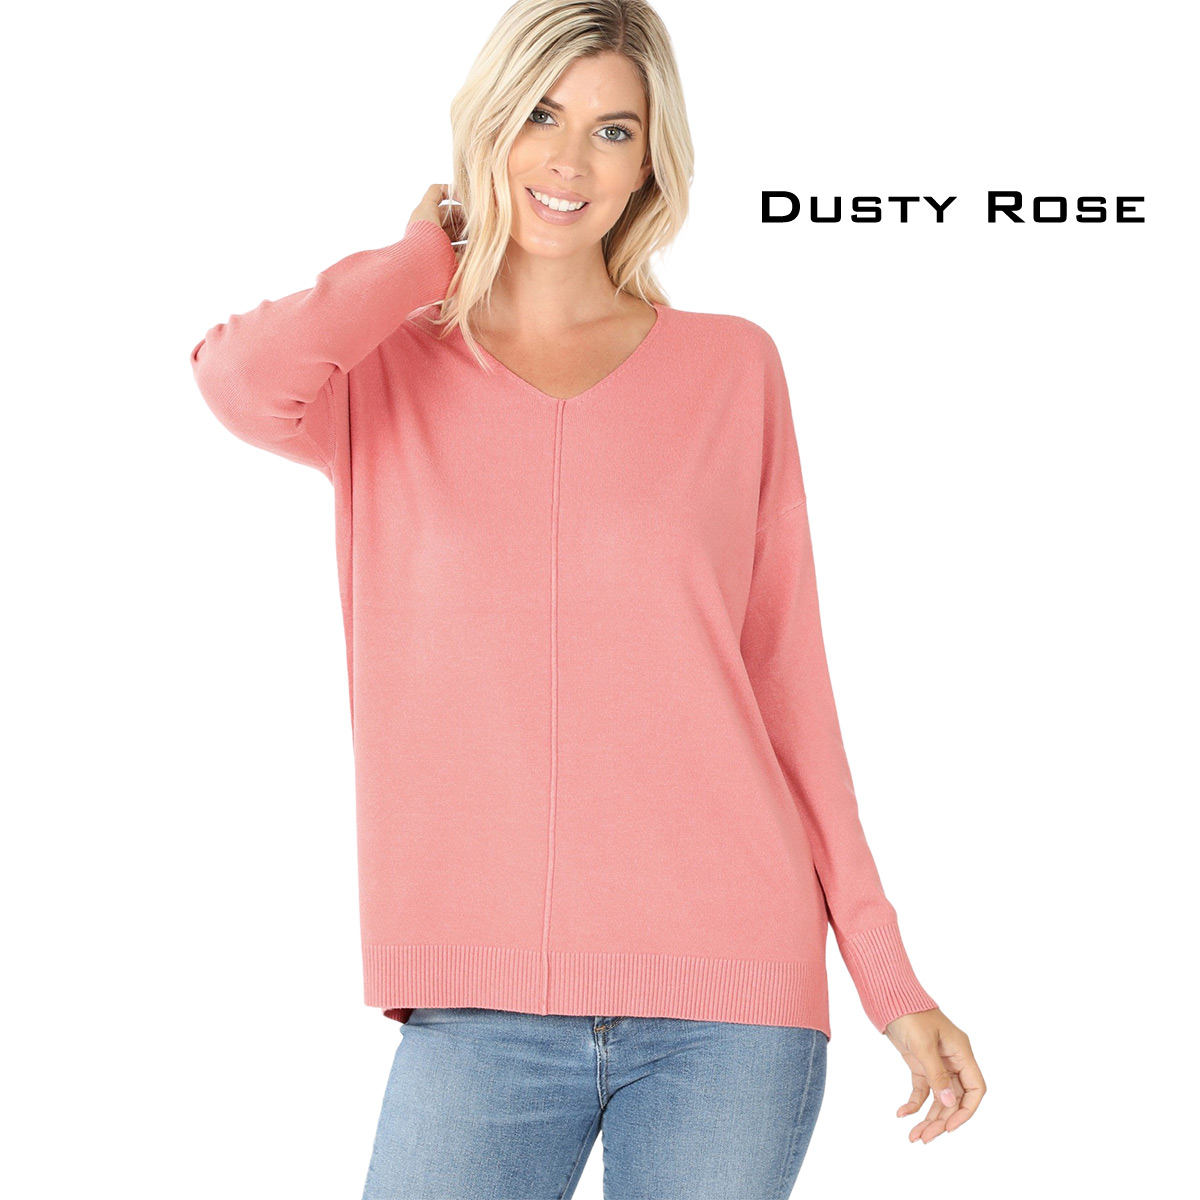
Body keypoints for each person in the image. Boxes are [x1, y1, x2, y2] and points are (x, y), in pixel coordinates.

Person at [189, 1, 986, 1196]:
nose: (569, 159)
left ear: (651, 160)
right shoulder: (383, 375)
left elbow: (789, 690)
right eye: (539, 115)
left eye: (614, 130)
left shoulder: (733, 366)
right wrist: (423, 259)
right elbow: (237, 380)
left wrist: (888, 975)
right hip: (476, 1008)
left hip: (731, 1001)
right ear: (485, 127)